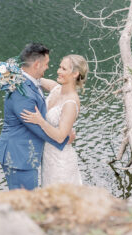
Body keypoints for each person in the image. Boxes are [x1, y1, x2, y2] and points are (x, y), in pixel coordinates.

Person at [0, 43, 69, 190]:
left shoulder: (27, 80)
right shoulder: (23, 94)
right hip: (18, 157)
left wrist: (61, 89)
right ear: (36, 64)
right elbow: (37, 128)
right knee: (26, 204)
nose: (48, 67)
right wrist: (64, 139)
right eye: (46, 64)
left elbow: (41, 84)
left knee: (26, 203)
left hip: (22, 155)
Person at [20, 54, 88, 185]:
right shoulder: (55, 88)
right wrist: (9, 71)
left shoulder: (71, 102)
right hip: (48, 158)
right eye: (59, 67)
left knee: (61, 202)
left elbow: (61, 137)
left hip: (61, 162)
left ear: (75, 74)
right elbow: (34, 77)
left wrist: (40, 121)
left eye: (63, 69)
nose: (58, 71)